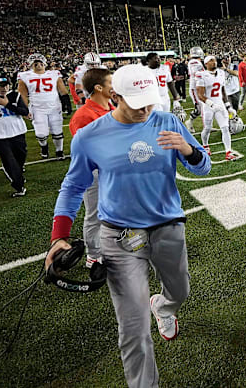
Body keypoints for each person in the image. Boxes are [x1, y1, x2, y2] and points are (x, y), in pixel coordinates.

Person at [46, 64, 211, 387]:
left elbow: (203, 167)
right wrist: (59, 236)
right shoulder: (89, 137)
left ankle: (163, 306)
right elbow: (73, 187)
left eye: (150, 101)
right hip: (119, 236)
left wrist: (189, 150)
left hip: (167, 226)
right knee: (133, 328)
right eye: (137, 103)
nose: (145, 110)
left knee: (180, 291)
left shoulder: (166, 120)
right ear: (115, 95)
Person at [68, 67, 114, 268]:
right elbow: (85, 151)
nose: (114, 87)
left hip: (113, 170)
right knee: (95, 214)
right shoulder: (83, 115)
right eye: (111, 83)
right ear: (98, 87)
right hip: (94, 171)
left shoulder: (110, 108)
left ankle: (115, 246)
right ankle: (94, 255)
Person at [17, 53, 68, 159]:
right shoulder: (24, 76)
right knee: (41, 134)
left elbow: (62, 89)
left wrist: (66, 102)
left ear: (45, 63)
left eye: (40, 62)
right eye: (35, 63)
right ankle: (44, 147)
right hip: (37, 108)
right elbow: (23, 94)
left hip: (54, 107)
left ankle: (59, 151)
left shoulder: (54, 74)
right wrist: (25, 109)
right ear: (31, 65)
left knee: (57, 131)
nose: (38, 65)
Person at [196, 55, 236, 160]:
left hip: (220, 104)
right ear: (206, 64)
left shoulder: (221, 73)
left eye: (214, 60)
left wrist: (228, 106)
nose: (214, 62)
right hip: (208, 106)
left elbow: (223, 91)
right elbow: (200, 95)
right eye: (211, 61)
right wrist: (211, 104)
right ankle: (205, 145)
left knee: (225, 127)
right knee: (207, 128)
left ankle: (228, 152)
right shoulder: (202, 75)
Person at [186, 47, 205, 122]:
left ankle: (206, 126)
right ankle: (189, 122)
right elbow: (196, 73)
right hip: (195, 87)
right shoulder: (194, 62)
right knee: (200, 108)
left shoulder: (196, 62)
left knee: (202, 107)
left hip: (199, 86)